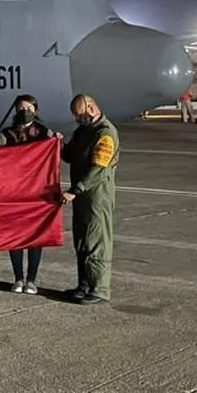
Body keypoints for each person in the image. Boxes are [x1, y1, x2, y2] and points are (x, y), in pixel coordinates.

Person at [0, 94, 58, 294]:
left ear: (35, 111)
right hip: (13, 192)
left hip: (36, 193)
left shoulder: (44, 133)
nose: (24, 112)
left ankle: (31, 279)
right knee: (15, 236)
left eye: (28, 108)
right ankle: (18, 278)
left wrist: (58, 141)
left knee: (35, 236)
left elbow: (54, 155)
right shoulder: (6, 134)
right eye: (21, 108)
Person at [61, 93, 119, 305]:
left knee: (97, 242)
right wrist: (57, 143)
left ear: (92, 108)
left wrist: (75, 190)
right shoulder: (83, 131)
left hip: (96, 196)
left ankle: (99, 289)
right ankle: (84, 285)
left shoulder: (105, 134)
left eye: (80, 115)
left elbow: (98, 169)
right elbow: (69, 155)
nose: (78, 119)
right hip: (82, 197)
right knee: (82, 242)